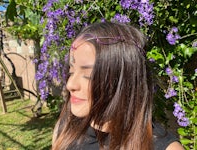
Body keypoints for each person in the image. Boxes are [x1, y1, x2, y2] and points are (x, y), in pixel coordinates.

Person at [52, 22, 184, 150]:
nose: (70, 84)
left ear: (124, 81)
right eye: (71, 71)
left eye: (88, 75)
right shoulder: (66, 130)